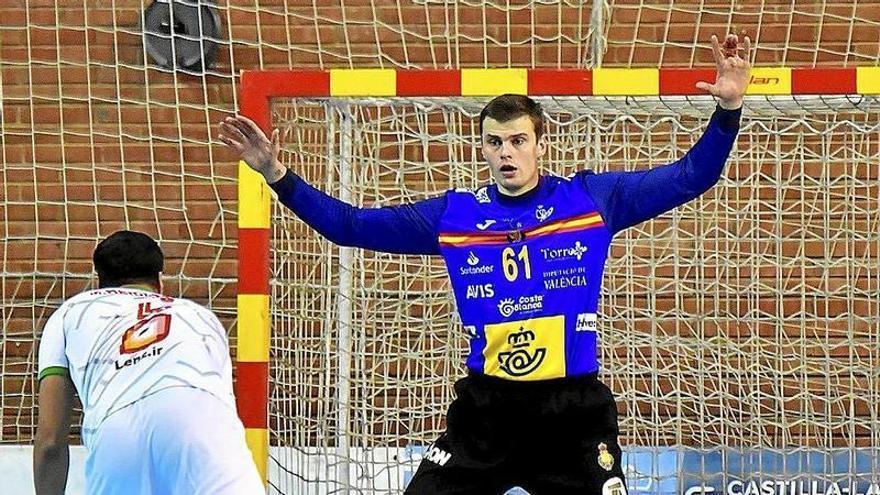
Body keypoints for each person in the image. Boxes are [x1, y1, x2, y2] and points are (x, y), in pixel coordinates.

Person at [220, 34, 750, 495]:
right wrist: (276, 173)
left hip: (571, 414)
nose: (506, 153)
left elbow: (690, 177)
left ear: (541, 143)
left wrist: (727, 112)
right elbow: (349, 225)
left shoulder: (592, 200)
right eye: (495, 142)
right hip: (486, 415)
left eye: (518, 140)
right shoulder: (455, 216)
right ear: (483, 148)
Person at [33, 230, 264, 495]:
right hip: (201, 424)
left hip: (117, 433)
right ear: (160, 281)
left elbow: (50, 441)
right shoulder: (200, 316)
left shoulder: (69, 313)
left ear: (99, 283)